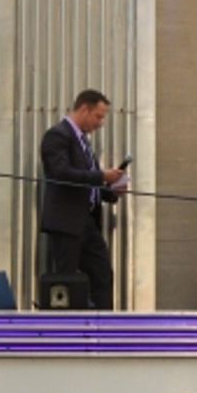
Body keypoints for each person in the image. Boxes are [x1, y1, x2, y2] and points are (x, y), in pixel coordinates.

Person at [40, 89, 126, 309]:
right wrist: (101, 176)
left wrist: (110, 190)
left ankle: (102, 326)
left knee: (102, 272)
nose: (100, 123)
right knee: (66, 280)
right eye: (98, 116)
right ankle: (68, 333)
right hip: (66, 222)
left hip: (87, 222)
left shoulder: (84, 143)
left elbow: (88, 184)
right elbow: (61, 173)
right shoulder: (57, 135)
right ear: (84, 109)